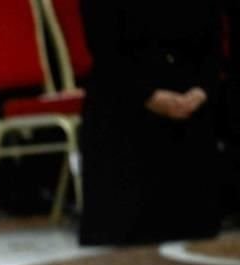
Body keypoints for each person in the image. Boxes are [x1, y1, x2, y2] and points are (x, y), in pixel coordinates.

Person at [78, 0, 224, 245]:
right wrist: (147, 95)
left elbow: (212, 46)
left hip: (189, 97)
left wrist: (201, 90)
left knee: (195, 223)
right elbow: (105, 51)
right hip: (124, 99)